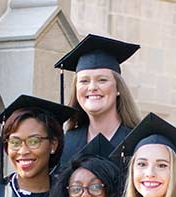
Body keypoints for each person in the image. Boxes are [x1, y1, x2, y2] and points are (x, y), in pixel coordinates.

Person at [54, 34, 141, 165]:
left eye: (102, 80)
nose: (92, 87)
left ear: (118, 88)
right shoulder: (67, 143)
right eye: (84, 81)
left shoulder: (139, 142)